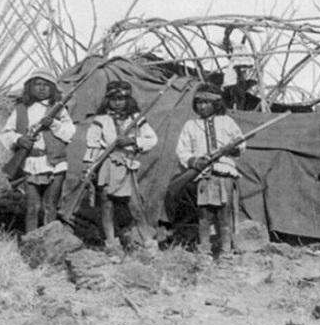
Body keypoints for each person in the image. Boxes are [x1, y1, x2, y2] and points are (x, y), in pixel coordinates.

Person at [84, 80, 158, 252]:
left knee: (134, 205)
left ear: (128, 100)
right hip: (106, 164)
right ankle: (111, 243)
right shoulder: (101, 120)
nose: (118, 102)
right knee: (107, 203)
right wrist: (89, 167)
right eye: (114, 99)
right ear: (107, 100)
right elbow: (92, 144)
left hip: (127, 165)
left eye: (122, 99)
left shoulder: (136, 119)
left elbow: (152, 139)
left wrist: (132, 140)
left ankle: (147, 241)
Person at [0, 70, 76, 233]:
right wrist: (19, 139)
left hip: (55, 163)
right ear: (30, 87)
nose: (42, 88)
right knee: (32, 206)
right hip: (30, 163)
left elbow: (70, 133)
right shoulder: (20, 109)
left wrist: (53, 123)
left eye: (46, 85)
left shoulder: (58, 109)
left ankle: (49, 242)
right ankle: (31, 240)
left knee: (50, 205)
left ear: (52, 89)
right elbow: (6, 133)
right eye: (37, 84)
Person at [175, 83, 245, 259]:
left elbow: (241, 143)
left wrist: (228, 149)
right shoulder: (190, 125)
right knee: (204, 215)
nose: (202, 106)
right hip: (204, 175)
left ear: (216, 103)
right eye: (198, 102)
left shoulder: (226, 121)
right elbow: (182, 150)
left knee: (224, 214)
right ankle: (204, 250)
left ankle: (226, 251)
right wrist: (194, 161)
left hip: (224, 172)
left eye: (206, 102)